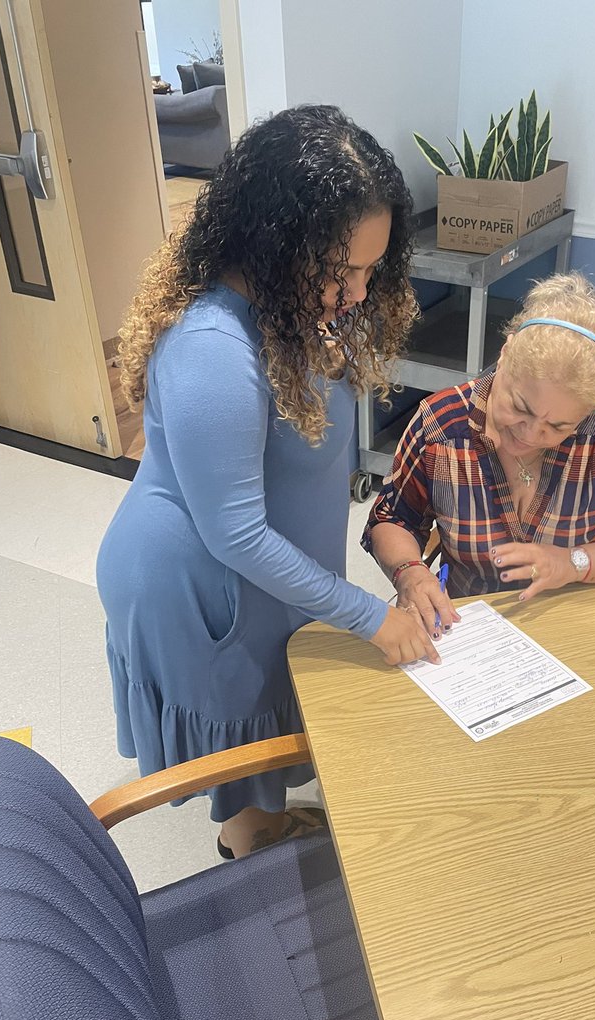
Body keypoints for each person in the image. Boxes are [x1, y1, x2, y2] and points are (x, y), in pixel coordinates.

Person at [97, 106, 437, 859]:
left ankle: (262, 826)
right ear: (277, 243)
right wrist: (368, 616)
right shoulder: (215, 348)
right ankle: (251, 847)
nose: (358, 291)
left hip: (258, 564)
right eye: (344, 270)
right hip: (200, 579)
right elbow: (236, 533)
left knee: (274, 704)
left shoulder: (295, 302)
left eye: (372, 268)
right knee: (244, 726)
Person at [363, 272, 595, 628]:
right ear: (504, 356)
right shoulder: (442, 425)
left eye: (559, 426)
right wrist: (411, 572)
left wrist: (572, 563)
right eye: (519, 407)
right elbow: (393, 519)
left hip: (581, 612)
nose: (532, 435)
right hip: (470, 622)